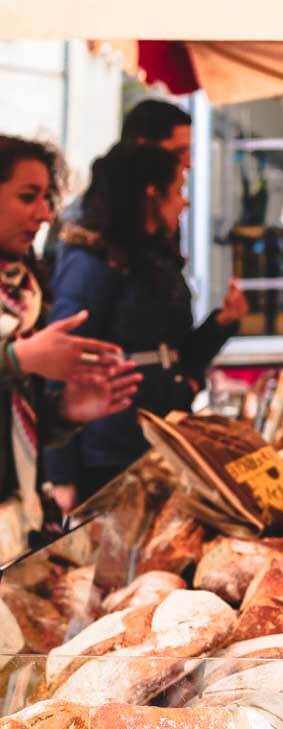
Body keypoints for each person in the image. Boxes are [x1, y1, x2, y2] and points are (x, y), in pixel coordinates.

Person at [44, 142, 247, 506]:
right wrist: (61, 474)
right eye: (179, 189)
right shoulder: (91, 262)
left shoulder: (154, 257)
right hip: (108, 452)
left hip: (159, 437)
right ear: (152, 194)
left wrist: (222, 323)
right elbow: (60, 365)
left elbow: (171, 350)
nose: (184, 202)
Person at [0, 136, 141, 562]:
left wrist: (65, 415)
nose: (44, 215)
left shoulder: (28, 290)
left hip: (18, 526)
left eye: (47, 198)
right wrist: (17, 358)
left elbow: (15, 434)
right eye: (28, 197)